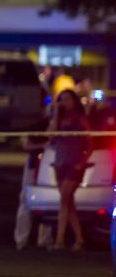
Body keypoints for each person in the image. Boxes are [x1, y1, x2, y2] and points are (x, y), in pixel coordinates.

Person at [48, 89, 92, 252]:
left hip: (75, 163)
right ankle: (79, 239)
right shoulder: (59, 119)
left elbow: (90, 143)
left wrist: (83, 161)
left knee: (64, 198)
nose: (65, 102)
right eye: (62, 99)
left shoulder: (80, 119)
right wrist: (56, 114)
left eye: (67, 99)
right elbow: (50, 136)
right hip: (61, 162)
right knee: (68, 203)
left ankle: (59, 240)